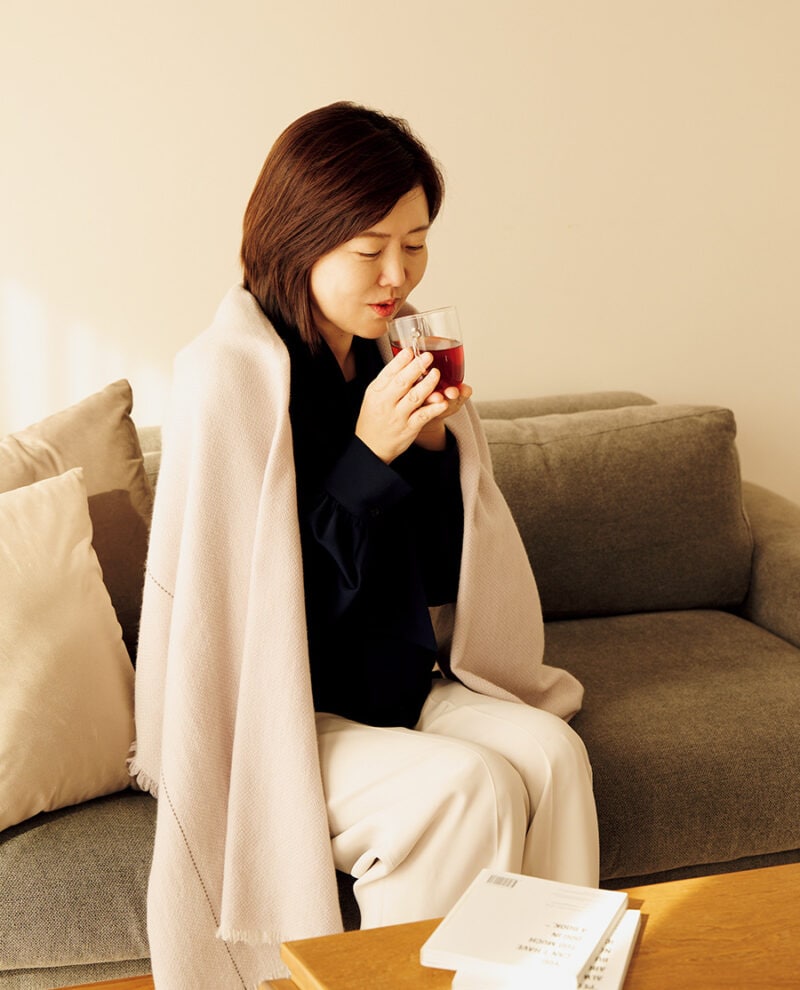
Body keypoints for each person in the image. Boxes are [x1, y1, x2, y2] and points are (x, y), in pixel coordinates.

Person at [131, 101, 599, 989]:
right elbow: (253, 616)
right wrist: (366, 456)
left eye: (416, 244)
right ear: (300, 239)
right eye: (370, 248)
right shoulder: (230, 374)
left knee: (550, 755)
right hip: (280, 714)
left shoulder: (393, 352)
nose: (397, 274)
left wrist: (430, 449)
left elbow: (440, 576)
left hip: (398, 684)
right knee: (465, 789)